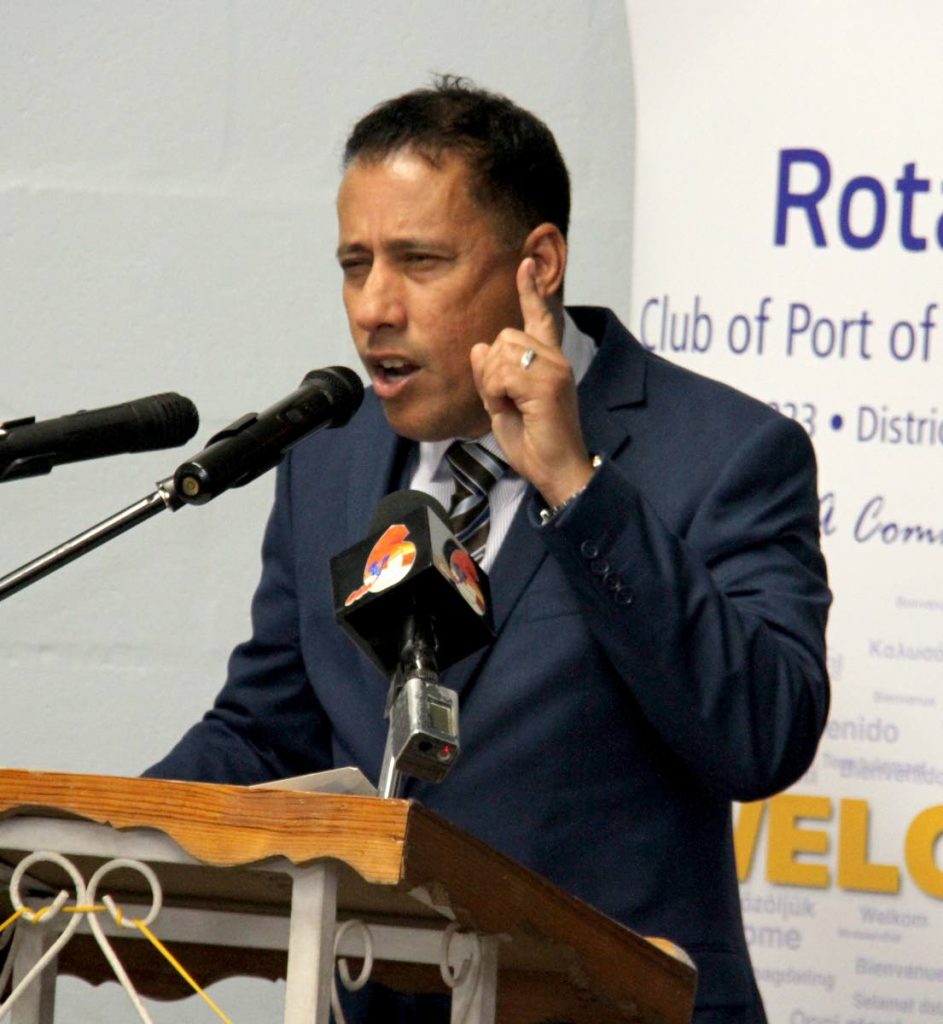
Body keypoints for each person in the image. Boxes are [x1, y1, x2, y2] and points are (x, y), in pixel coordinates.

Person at [146, 76, 831, 1021]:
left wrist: (577, 486)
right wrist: (97, 851)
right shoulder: (329, 460)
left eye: (418, 260)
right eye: (354, 263)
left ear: (537, 264)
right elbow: (268, 729)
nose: (373, 306)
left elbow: (762, 735)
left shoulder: (723, 453)